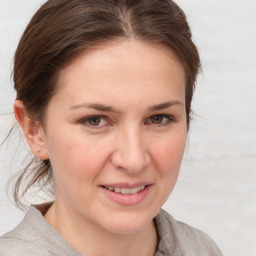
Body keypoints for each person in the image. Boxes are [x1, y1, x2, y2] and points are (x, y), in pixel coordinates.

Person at [0, 0, 223, 255]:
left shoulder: (202, 249)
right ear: (34, 131)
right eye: (94, 120)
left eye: (159, 118)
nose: (133, 160)